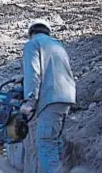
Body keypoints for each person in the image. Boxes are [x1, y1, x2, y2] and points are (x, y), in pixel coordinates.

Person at [16, 19, 76, 173]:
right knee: (55, 142)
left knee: (46, 142)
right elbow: (53, 70)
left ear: (31, 33)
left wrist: (30, 101)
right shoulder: (57, 45)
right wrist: (23, 78)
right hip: (65, 97)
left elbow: (34, 73)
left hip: (51, 99)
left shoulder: (32, 44)